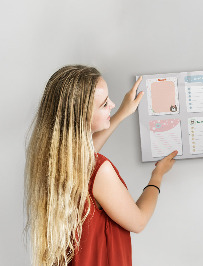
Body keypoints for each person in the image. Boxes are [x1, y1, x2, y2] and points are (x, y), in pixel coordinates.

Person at [24, 65, 177, 266]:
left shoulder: (53, 159)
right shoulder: (99, 170)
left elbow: (86, 157)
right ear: (81, 117)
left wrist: (122, 113)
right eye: (105, 104)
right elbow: (138, 221)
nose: (112, 104)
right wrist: (157, 175)